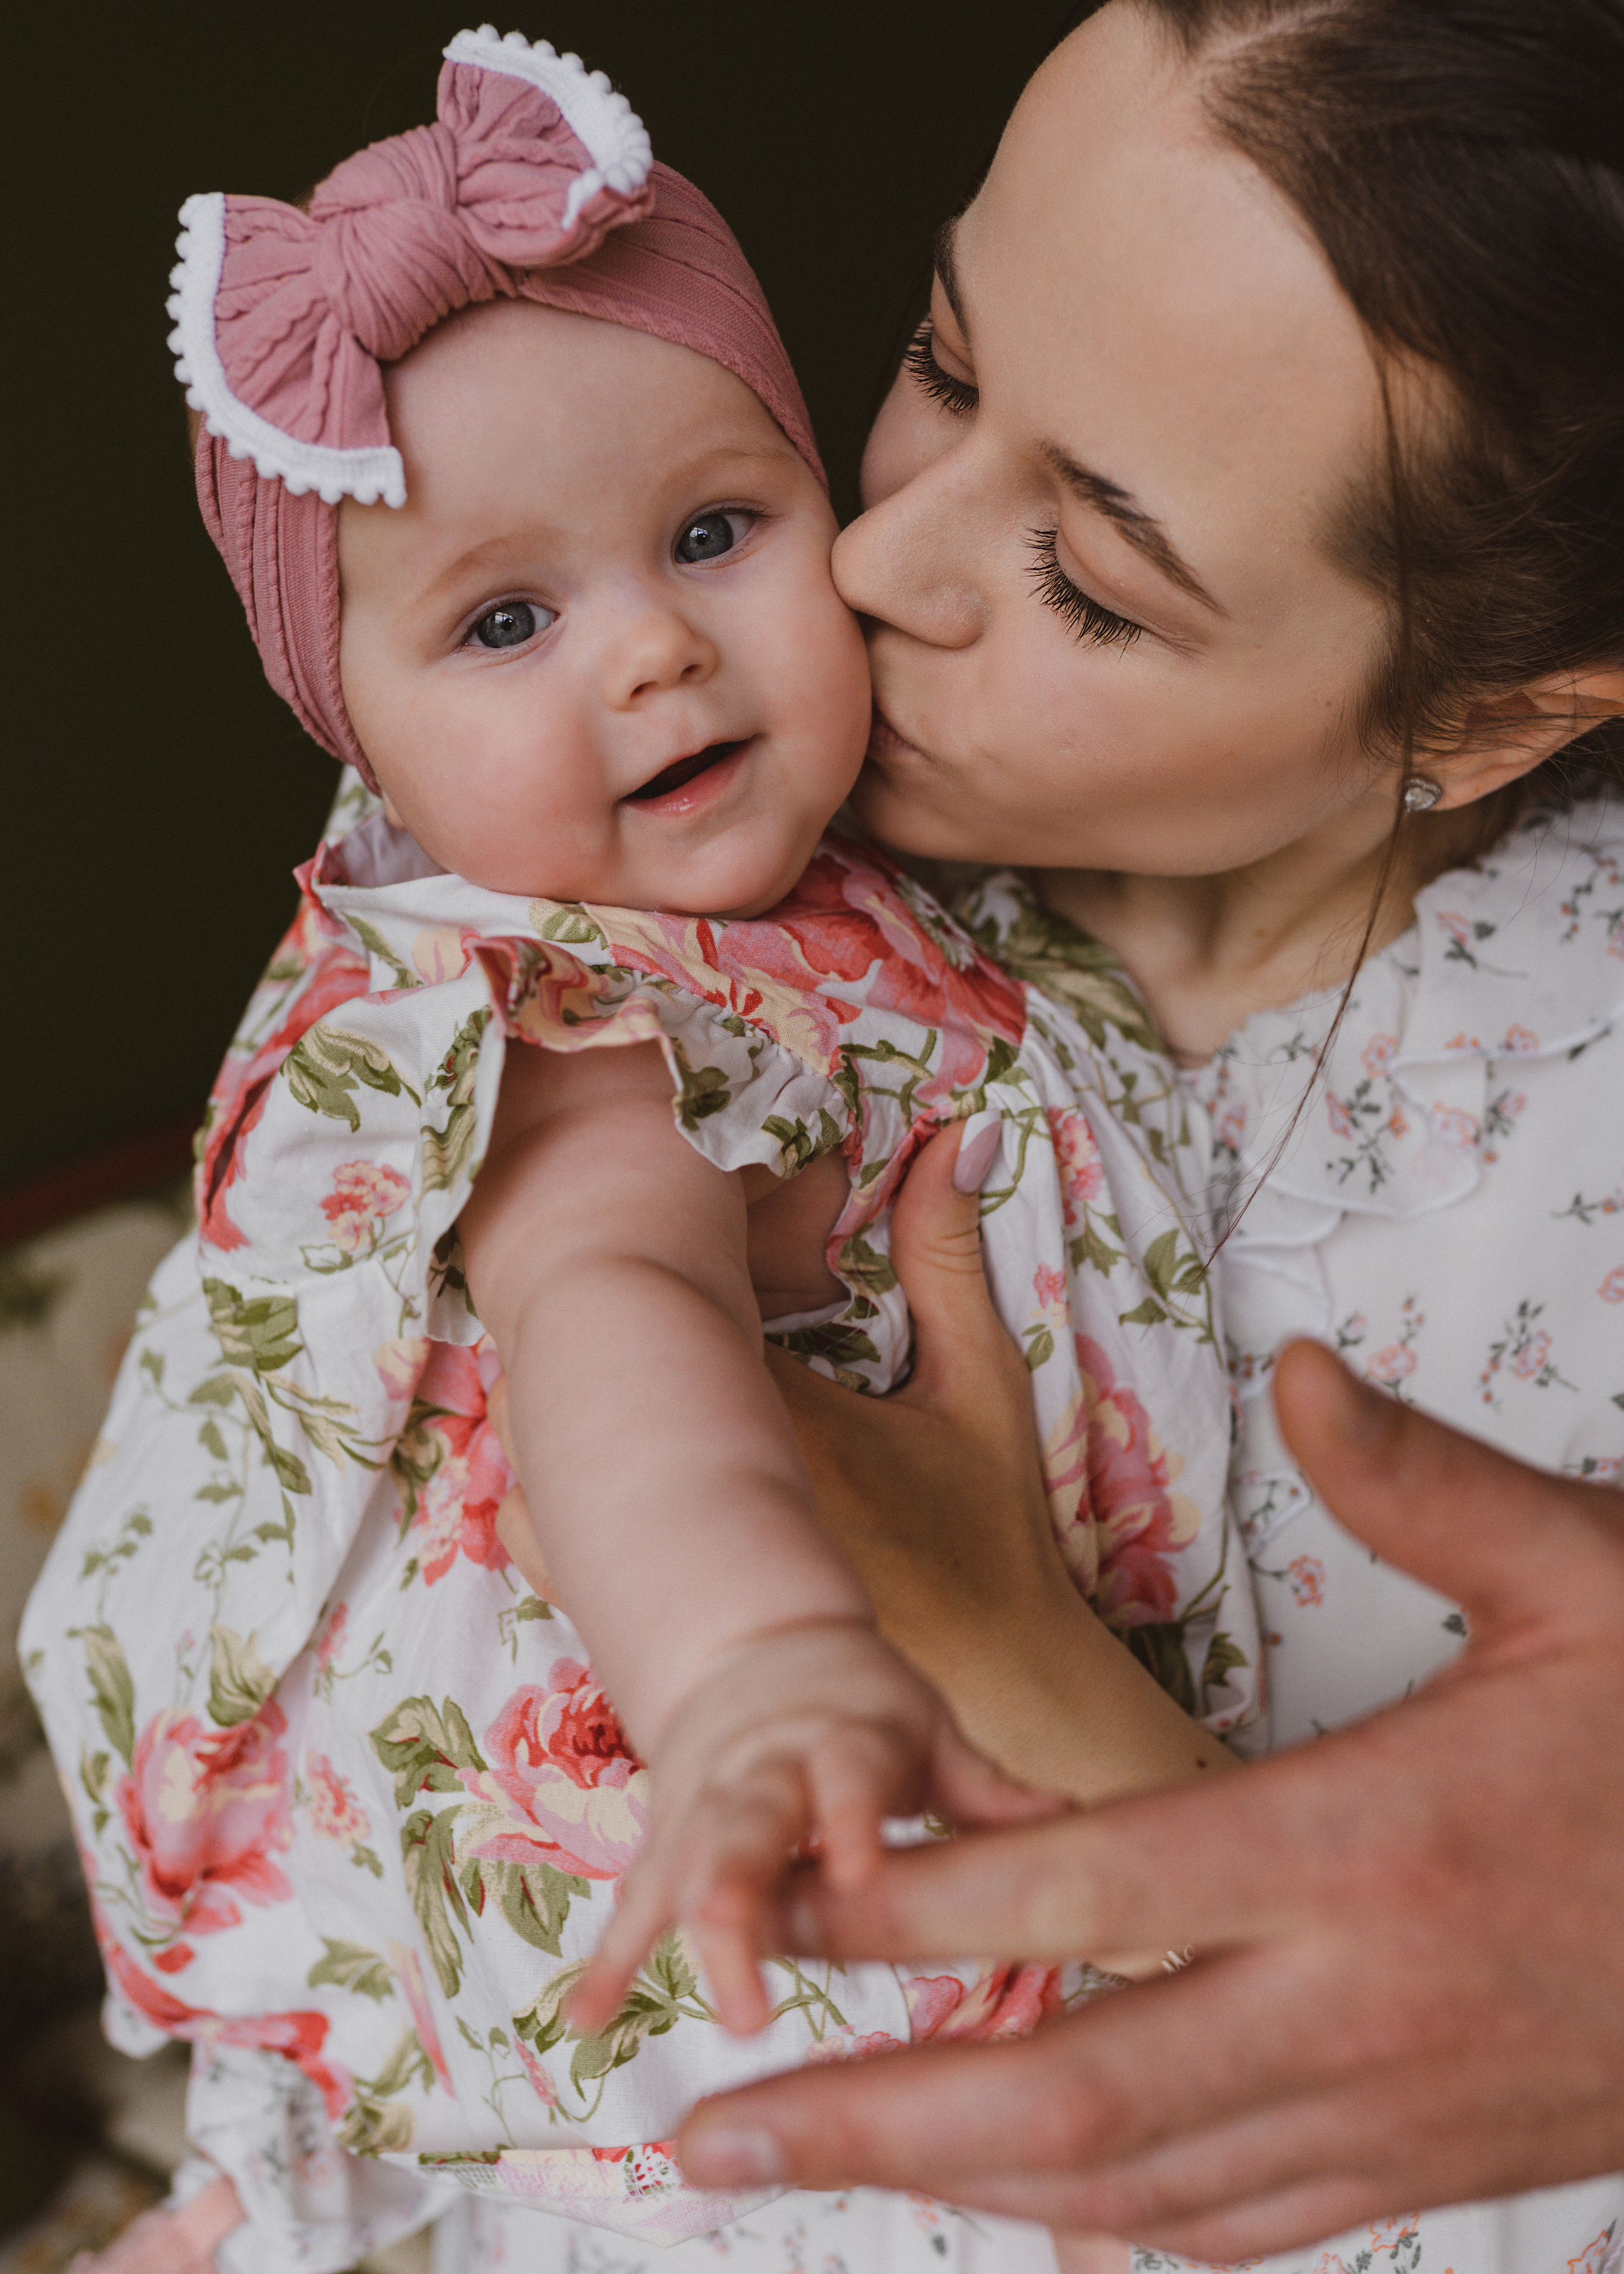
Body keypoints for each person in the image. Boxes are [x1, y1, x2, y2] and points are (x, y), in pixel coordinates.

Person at [23, 26, 1255, 2274]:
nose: (658, 651)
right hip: (714, 1783)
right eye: (506, 621)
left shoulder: (856, 889)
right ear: (358, 733)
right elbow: (622, 1321)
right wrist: (759, 1652)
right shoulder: (574, 1011)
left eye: (715, 529)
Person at [642, 0, 1624, 2266]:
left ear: (1475, 719)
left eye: (1095, 578)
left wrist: (1009, 1646)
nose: (875, 566)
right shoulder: (709, 811)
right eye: (945, 360)